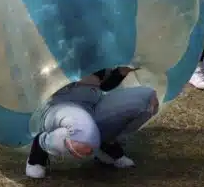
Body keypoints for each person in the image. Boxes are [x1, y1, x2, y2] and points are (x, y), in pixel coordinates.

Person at [25, 66, 158, 179]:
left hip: (95, 104)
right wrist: (76, 76)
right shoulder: (57, 47)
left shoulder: (96, 48)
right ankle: (41, 146)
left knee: (147, 99)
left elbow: (104, 85)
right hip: (61, 105)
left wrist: (121, 72)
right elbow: (41, 79)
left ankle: (105, 144)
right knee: (83, 140)